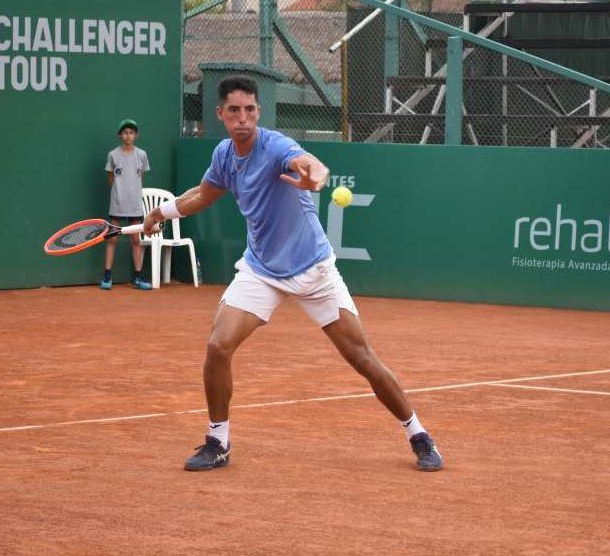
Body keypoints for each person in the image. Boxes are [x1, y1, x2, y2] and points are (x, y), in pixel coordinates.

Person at [142, 76, 443, 472]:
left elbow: (311, 165)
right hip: (261, 269)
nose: (243, 118)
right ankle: (218, 441)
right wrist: (160, 212)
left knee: (361, 357)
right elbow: (202, 194)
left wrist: (315, 177)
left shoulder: (276, 146)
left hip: (313, 270)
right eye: (234, 110)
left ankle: (419, 435)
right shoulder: (224, 155)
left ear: (258, 112)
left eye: (250, 110)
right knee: (218, 346)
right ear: (221, 114)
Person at [101, 118, 152, 290]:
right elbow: (111, 178)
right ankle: (107, 275)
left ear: (136, 135)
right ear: (119, 135)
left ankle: (137, 277)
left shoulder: (142, 155)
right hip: (117, 204)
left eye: (131, 132)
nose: (128, 135)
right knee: (112, 239)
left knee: (135, 240)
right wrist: (119, 193)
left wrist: (132, 194)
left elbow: (140, 178)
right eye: (125, 132)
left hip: (134, 205)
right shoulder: (113, 155)